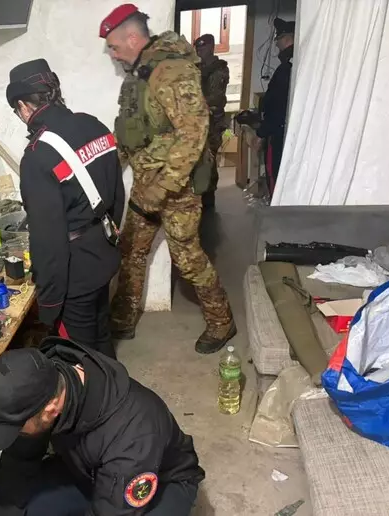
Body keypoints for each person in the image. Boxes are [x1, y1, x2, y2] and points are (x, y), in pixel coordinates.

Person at [101, 4, 235, 354]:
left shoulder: (172, 70)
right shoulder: (139, 75)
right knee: (131, 250)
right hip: (147, 184)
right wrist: (106, 168)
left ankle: (222, 321)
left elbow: (194, 134)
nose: (112, 54)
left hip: (177, 188)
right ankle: (123, 317)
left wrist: (162, 187)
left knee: (188, 259)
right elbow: (132, 131)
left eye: (114, 46)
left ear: (133, 38)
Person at [0, 337, 205, 515]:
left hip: (160, 482)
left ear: (50, 410)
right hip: (86, 468)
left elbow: (113, 511)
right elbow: (19, 460)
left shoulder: (133, 435)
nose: (15, 434)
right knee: (24, 506)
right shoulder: (44, 382)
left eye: (16, 428)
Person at [6, 59, 125, 359]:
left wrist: (48, 304)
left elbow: (48, 240)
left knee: (80, 358)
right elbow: (117, 192)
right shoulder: (94, 125)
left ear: (23, 106)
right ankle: (116, 384)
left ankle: (102, 389)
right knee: (101, 334)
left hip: (74, 274)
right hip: (103, 252)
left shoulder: (37, 156)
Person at [256, 18, 295, 194]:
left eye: (278, 39)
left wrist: (261, 133)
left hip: (279, 132)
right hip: (287, 130)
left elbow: (277, 106)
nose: (276, 44)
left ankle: (277, 206)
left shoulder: (287, 68)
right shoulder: (294, 64)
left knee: (276, 174)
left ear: (287, 39)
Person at [193, 34, 229, 210]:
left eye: (203, 47)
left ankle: (209, 199)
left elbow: (215, 96)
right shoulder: (196, 68)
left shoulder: (219, 69)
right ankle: (199, 195)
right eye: (198, 48)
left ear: (211, 47)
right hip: (198, 122)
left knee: (209, 159)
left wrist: (196, 103)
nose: (200, 50)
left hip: (213, 122)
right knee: (198, 160)